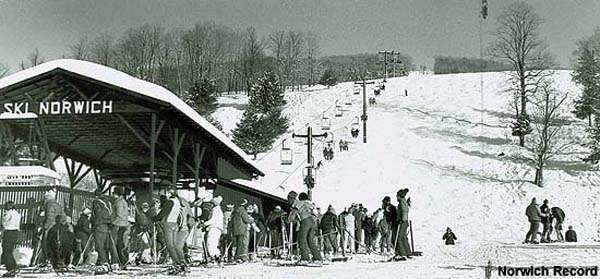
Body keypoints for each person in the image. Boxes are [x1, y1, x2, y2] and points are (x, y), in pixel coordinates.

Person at [290, 192, 322, 264]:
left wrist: (290, 218)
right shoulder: (310, 203)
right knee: (310, 240)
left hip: (305, 221)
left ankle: (305, 258)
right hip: (313, 221)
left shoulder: (299, 203)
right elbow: (316, 213)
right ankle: (318, 258)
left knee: (302, 239)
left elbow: (294, 212)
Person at [91, 188, 113, 274]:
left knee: (99, 245)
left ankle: (104, 263)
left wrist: (94, 225)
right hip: (108, 226)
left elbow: (97, 214)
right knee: (105, 245)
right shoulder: (107, 202)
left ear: (96, 195)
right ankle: (106, 262)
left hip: (100, 226)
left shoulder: (96, 202)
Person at [41, 189, 65, 266]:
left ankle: (48, 260)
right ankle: (57, 260)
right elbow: (63, 216)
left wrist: (45, 227)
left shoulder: (49, 205)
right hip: (57, 227)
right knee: (55, 244)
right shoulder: (57, 205)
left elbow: (50, 217)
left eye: (45, 198)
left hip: (50, 227)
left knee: (46, 243)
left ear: (48, 198)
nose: (44, 199)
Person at [111, 186, 130, 269]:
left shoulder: (118, 202)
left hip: (119, 225)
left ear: (116, 194)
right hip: (124, 225)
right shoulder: (123, 201)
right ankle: (123, 262)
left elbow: (120, 214)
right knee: (122, 244)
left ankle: (121, 262)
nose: (112, 195)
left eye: (113, 193)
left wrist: (113, 223)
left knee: (118, 244)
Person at [1, 201, 21, 277]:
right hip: (15, 233)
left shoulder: (8, 213)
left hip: (9, 232)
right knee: (8, 250)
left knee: (7, 251)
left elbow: (4, 223)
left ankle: (12, 268)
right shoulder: (17, 214)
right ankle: (8, 265)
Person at [392, 188, 412, 261]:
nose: (396, 198)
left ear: (399, 196)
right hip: (405, 221)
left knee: (399, 238)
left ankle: (403, 254)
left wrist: (402, 219)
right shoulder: (403, 202)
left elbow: (404, 211)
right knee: (403, 238)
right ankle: (408, 253)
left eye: (397, 196)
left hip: (403, 222)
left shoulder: (401, 203)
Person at [203, 196, 224, 263]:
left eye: (211, 203)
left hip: (214, 228)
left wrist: (204, 224)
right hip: (218, 228)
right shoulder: (219, 210)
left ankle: (213, 258)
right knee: (214, 244)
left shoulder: (215, 210)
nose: (210, 205)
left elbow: (212, 220)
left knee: (210, 243)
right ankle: (218, 257)